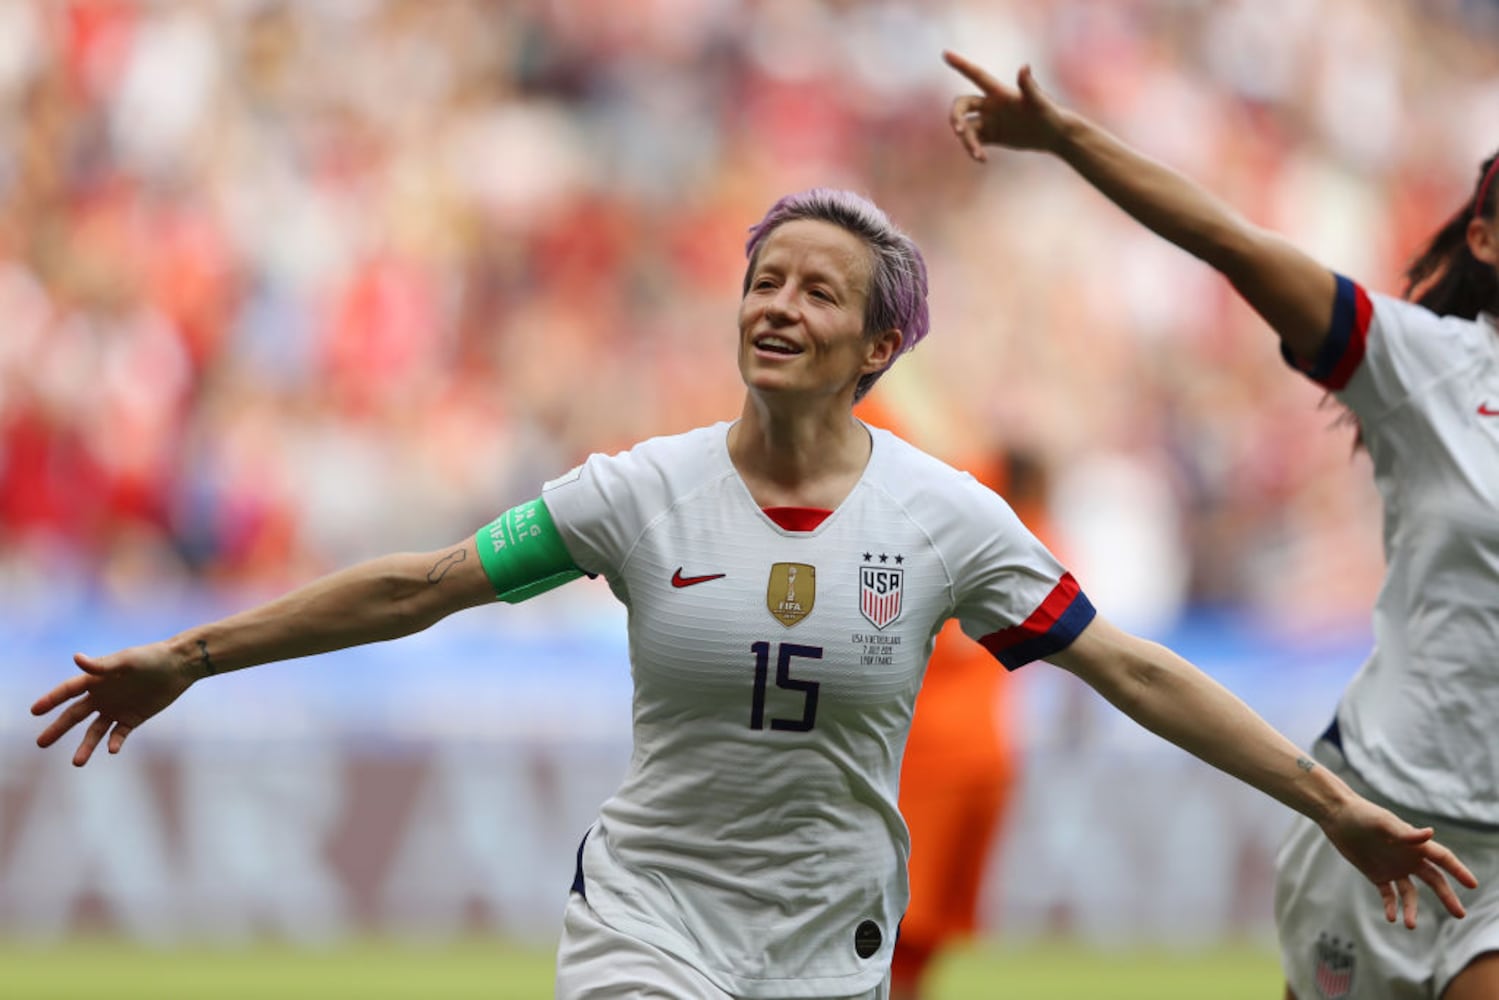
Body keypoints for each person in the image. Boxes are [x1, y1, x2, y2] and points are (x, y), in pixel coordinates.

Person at [33, 186, 1476, 999]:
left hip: (823, 937)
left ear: (874, 351)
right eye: (761, 281)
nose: (776, 306)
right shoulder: (635, 493)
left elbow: (1134, 674)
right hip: (647, 920)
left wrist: (1327, 802)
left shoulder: (946, 522)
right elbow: (418, 587)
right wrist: (191, 656)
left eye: (816, 293)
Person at [943, 49, 1499, 1000]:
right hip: (1380, 817)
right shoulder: (1426, 365)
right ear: (1484, 239)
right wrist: (1067, 138)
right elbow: (1231, 242)